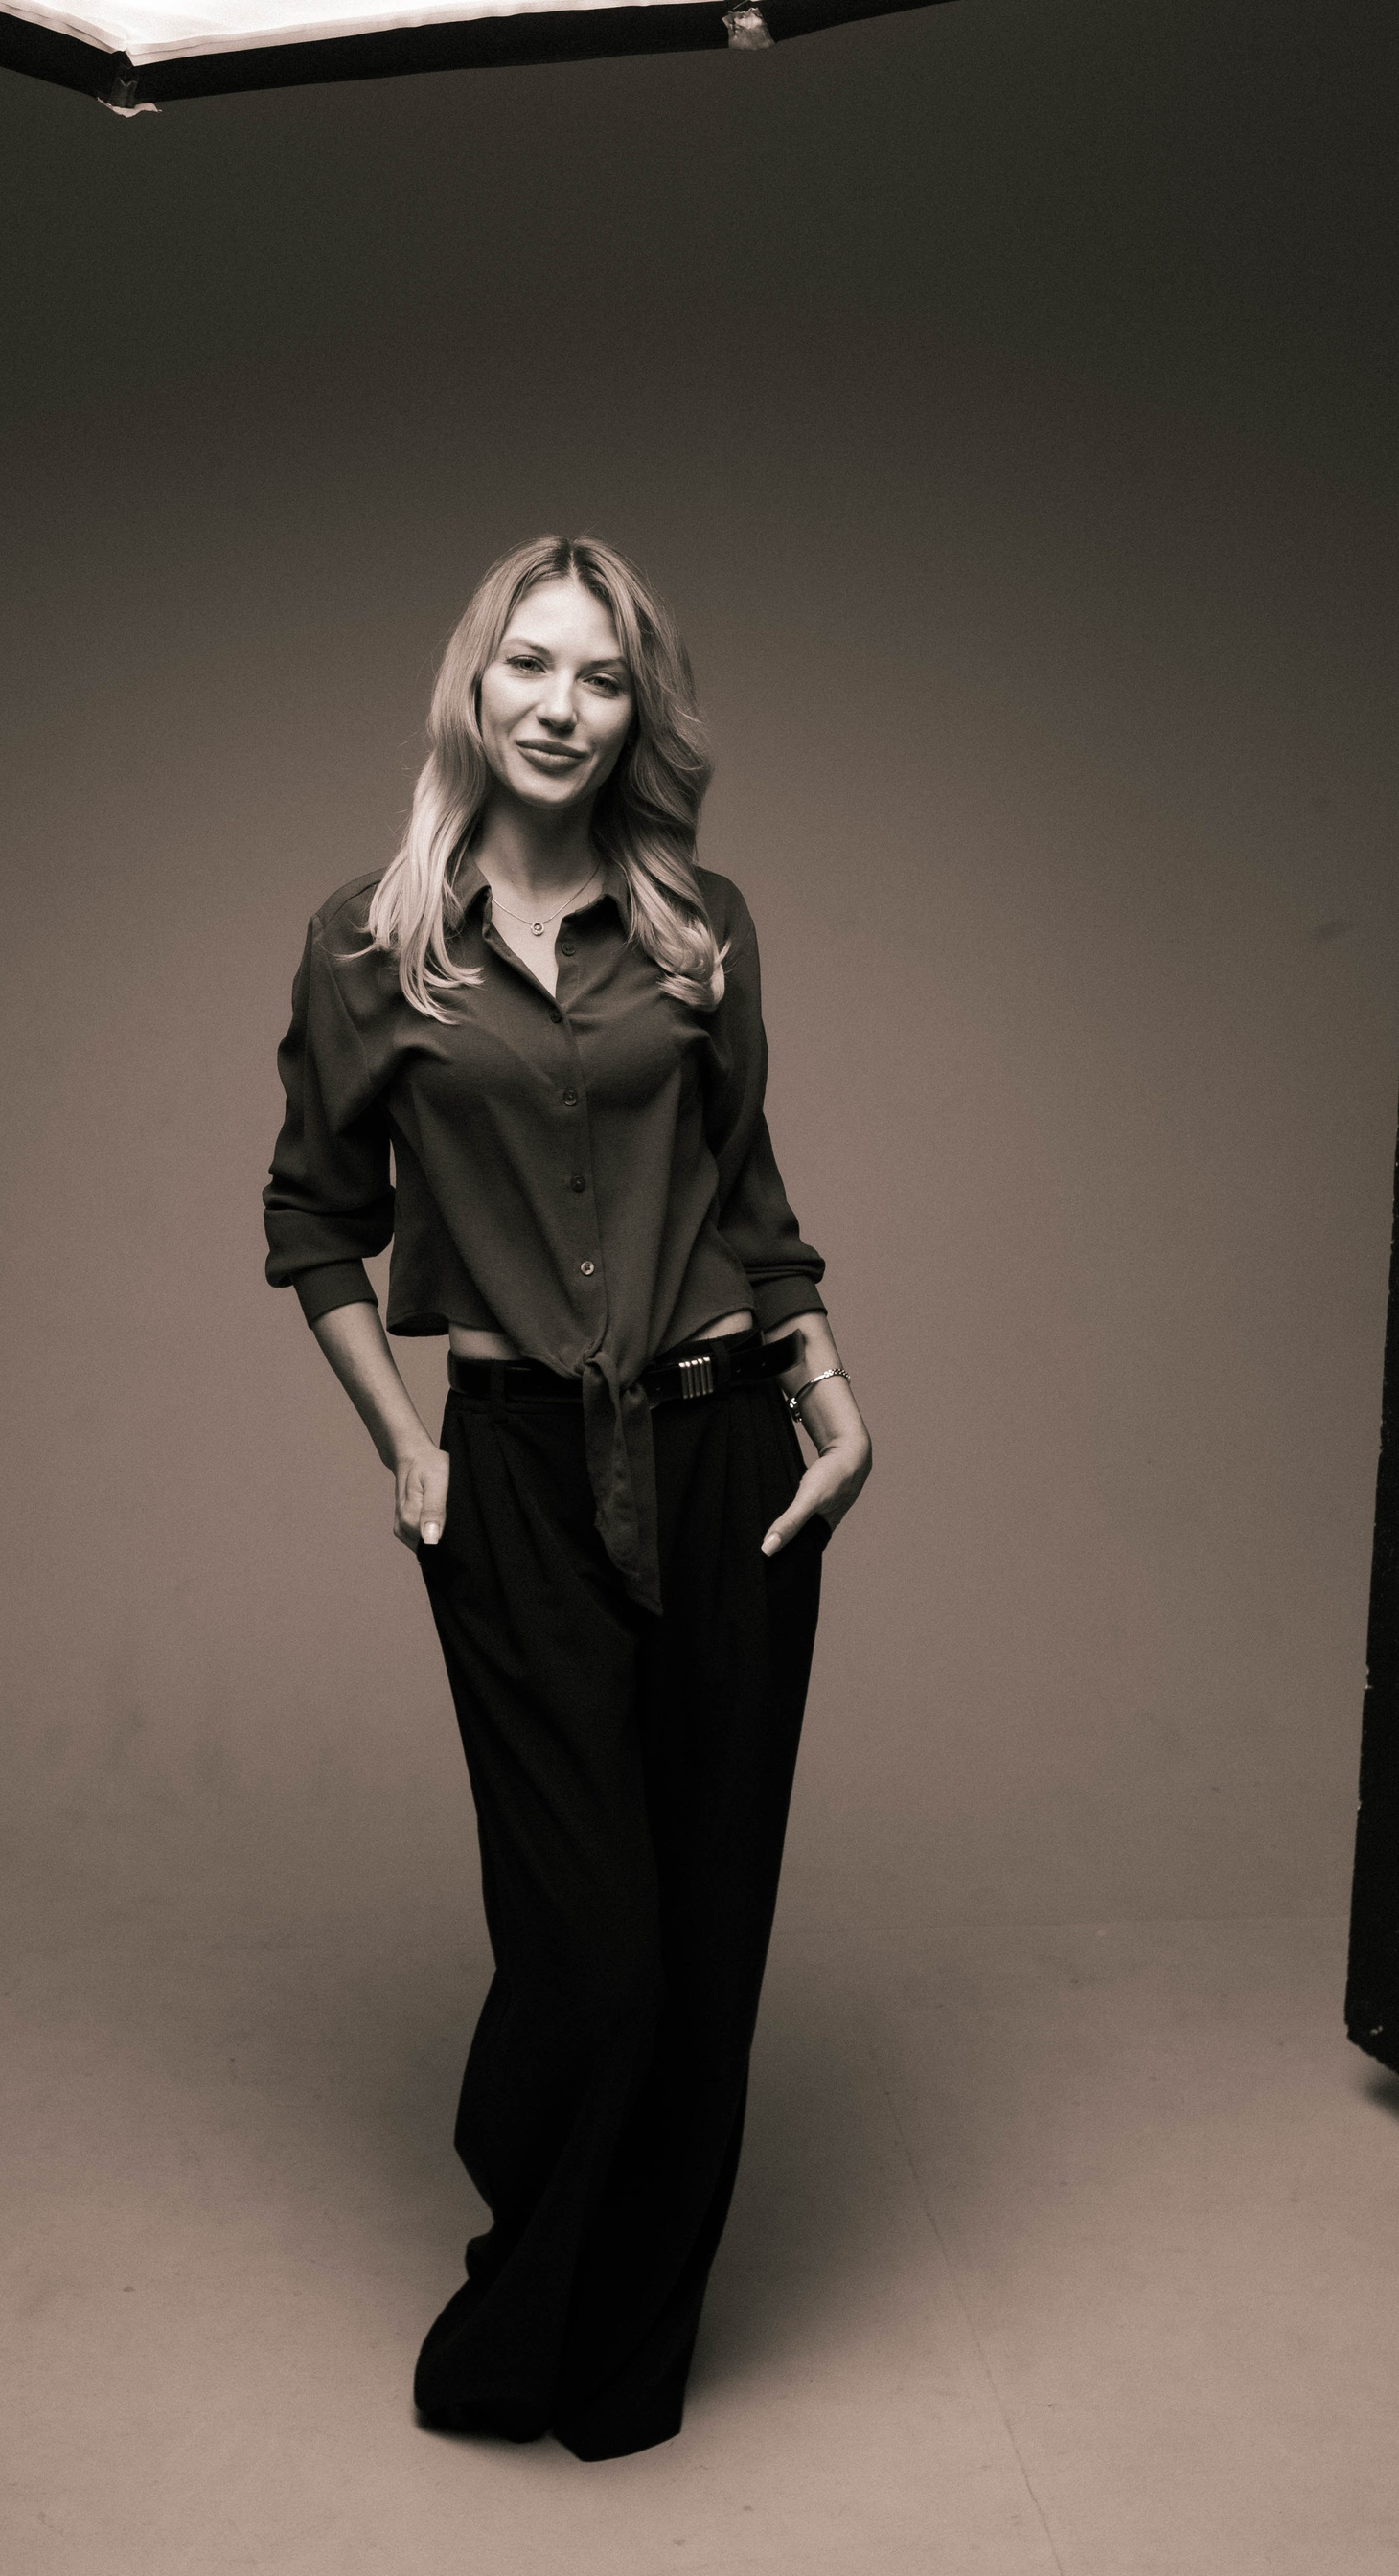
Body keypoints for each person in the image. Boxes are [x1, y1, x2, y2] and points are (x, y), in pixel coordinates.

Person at [263, 534, 871, 2460]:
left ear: (636, 712)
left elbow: (751, 1191)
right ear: (474, 685)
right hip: (516, 1467)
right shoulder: (370, 943)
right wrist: (408, 1439)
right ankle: (527, 2282)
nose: (561, 704)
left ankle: (624, 2363)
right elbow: (312, 1219)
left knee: (705, 1945)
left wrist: (831, 1395)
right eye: (529, 663)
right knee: (591, 1954)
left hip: (728, 1458)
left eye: (602, 677)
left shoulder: (700, 927)